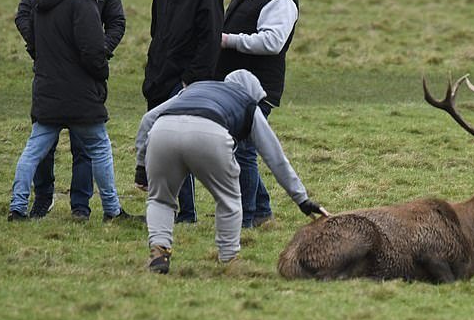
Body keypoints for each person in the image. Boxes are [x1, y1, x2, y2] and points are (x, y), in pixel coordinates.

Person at [134, 70, 328, 273]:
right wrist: (302, 200)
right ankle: (228, 259)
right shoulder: (248, 103)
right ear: (253, 93)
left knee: (160, 199)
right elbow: (275, 157)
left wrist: (141, 168)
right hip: (209, 134)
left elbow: (148, 118)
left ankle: (160, 251)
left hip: (163, 131)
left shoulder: (193, 89)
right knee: (228, 200)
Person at [8, 0, 141, 224]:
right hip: (82, 97)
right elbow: (92, 52)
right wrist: (103, 73)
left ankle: (17, 207)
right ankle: (112, 210)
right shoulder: (83, 4)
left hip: (47, 93)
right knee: (100, 148)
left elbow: (33, 38)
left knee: (33, 151)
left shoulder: (42, 1)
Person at [142, 0, 224, 224]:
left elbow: (210, 41)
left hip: (185, 85)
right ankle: (168, 209)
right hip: (159, 81)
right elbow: (156, 33)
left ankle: (186, 213)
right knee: (159, 151)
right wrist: (152, 74)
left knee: (178, 148)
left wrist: (191, 82)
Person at [215, 0, 299, 229]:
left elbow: (272, 42)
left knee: (243, 151)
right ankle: (261, 211)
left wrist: (228, 40)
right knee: (241, 148)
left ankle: (247, 219)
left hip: (258, 88)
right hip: (235, 86)